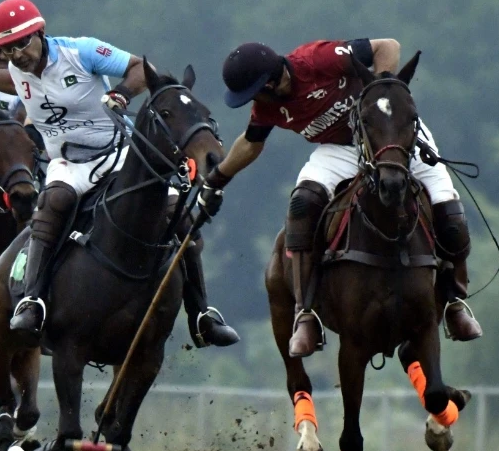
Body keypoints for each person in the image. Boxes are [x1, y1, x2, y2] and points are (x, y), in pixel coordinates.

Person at [0, 0, 239, 347]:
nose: (17, 53)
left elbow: (142, 67)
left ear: (40, 32)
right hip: (69, 163)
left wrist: (123, 94)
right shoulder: (18, 70)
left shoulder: (80, 51)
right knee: (53, 203)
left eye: (22, 42)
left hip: (117, 152)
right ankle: (33, 299)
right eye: (7, 48)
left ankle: (201, 313)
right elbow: (7, 81)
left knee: (177, 215)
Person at [198, 39, 481, 358]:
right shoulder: (267, 105)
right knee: (302, 203)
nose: (257, 99)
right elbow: (250, 144)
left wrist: (383, 93)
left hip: (390, 134)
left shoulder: (318, 59)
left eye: (258, 90)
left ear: (276, 76)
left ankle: (455, 303)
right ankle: (306, 315)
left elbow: (387, 46)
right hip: (340, 147)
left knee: (448, 205)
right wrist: (216, 178)